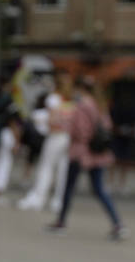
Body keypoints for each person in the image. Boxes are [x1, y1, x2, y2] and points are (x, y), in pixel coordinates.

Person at [46, 77, 127, 240]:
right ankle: (117, 224)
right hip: (98, 153)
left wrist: (69, 128)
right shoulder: (101, 105)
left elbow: (80, 130)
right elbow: (107, 126)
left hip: (81, 152)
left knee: (69, 188)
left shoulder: (83, 105)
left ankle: (61, 222)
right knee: (99, 189)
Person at [18, 77, 72, 212]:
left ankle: (39, 197)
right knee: (63, 169)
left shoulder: (53, 98)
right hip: (67, 137)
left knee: (46, 167)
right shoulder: (71, 101)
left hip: (55, 136)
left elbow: (51, 119)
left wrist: (42, 120)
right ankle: (58, 201)